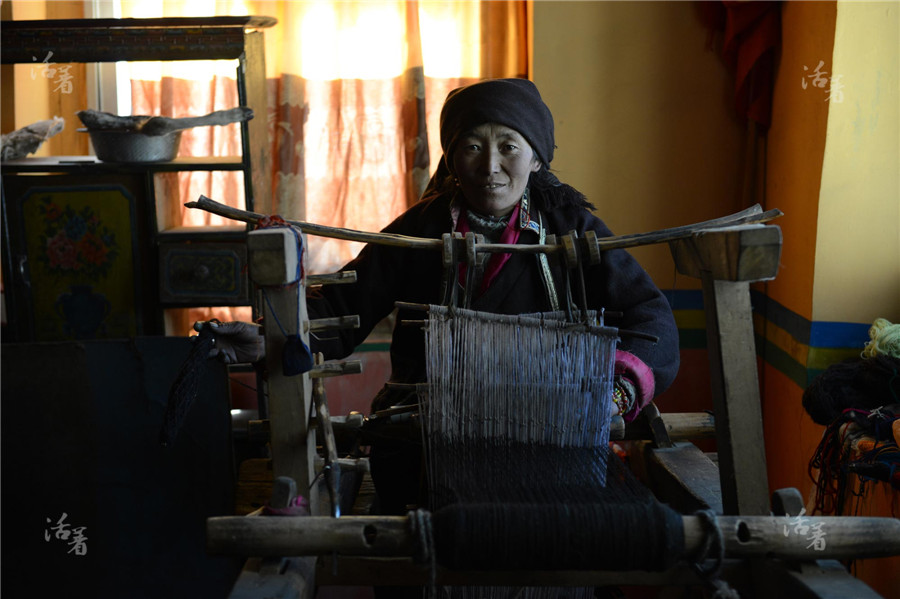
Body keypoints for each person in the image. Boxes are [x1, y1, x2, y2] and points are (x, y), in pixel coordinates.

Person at [202, 78, 680, 517]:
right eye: (472, 146)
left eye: (508, 146)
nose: (490, 166)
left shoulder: (571, 231)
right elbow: (341, 310)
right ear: (451, 158)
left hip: (548, 447)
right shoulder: (421, 230)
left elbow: (651, 317)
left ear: (537, 158)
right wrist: (269, 338)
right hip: (425, 449)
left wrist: (615, 393)